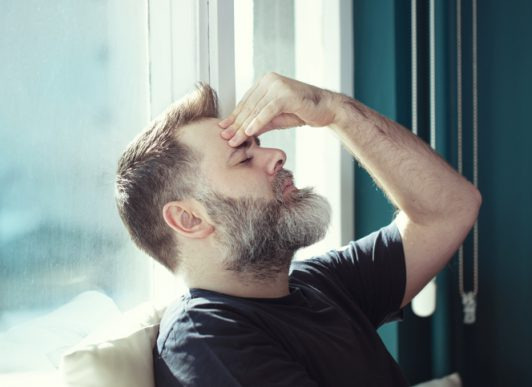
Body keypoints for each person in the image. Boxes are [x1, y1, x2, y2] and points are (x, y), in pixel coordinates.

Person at [115, 72, 481, 386]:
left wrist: (334, 110)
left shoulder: (320, 283)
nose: (277, 155)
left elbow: (450, 209)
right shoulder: (205, 337)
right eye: (244, 158)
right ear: (189, 219)